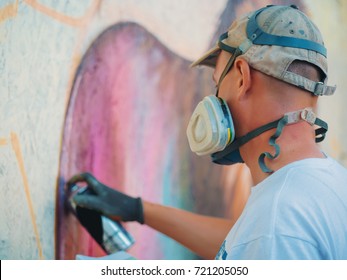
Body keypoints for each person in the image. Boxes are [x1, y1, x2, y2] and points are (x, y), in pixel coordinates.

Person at [67, 5, 347, 259]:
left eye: (217, 82)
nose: (213, 97)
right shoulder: (327, 185)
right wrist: (139, 210)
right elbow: (241, 244)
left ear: (241, 78)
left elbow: (263, 239)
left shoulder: (278, 221)